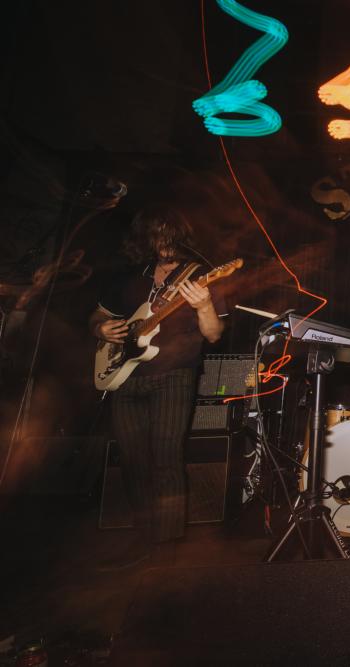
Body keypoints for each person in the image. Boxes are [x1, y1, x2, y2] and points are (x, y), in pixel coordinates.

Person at [89, 205, 227, 569]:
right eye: (157, 234)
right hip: (125, 376)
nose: (164, 242)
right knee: (132, 461)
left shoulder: (199, 276)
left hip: (174, 374)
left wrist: (205, 304)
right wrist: (100, 330)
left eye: (170, 234)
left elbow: (213, 333)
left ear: (182, 235)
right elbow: (99, 315)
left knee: (166, 457)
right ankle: (143, 536)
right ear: (146, 236)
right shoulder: (133, 274)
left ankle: (167, 547)